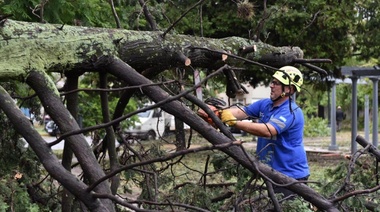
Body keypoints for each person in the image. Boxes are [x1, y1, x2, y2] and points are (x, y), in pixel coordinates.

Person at [199, 66, 310, 198]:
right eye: (272, 81)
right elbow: (241, 112)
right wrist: (216, 113)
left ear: (289, 89)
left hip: (291, 175)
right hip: (271, 172)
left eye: (276, 83)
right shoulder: (265, 104)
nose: (271, 86)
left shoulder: (291, 111)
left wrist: (235, 123)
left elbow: (268, 130)